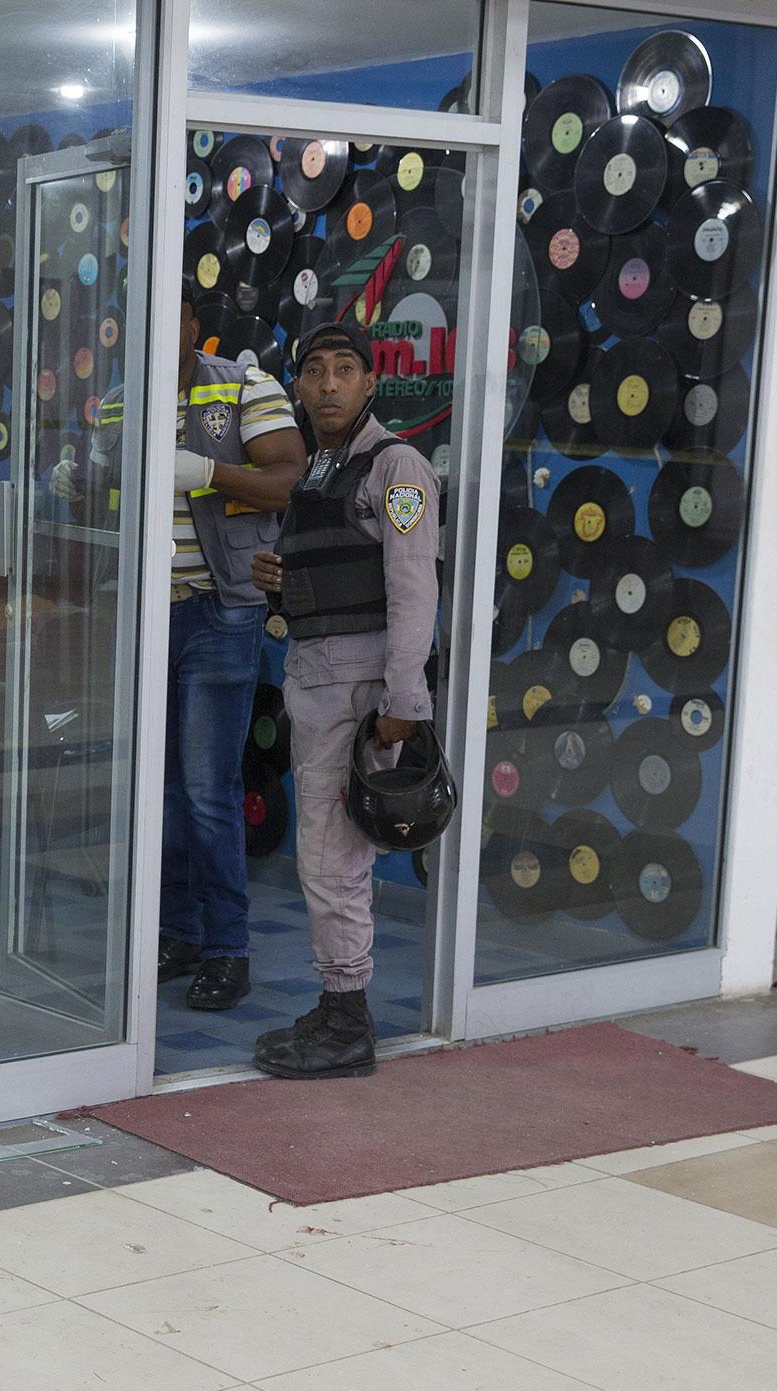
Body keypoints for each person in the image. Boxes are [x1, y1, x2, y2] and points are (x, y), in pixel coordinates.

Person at [58, 283, 306, 1009]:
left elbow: (290, 481)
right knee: (157, 790)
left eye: (170, 316)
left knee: (208, 792)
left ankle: (229, 949)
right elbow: (113, 494)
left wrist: (210, 473)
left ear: (196, 324)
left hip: (218, 615)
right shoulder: (116, 402)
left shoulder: (246, 387)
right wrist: (77, 483)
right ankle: (179, 932)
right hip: (139, 615)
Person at [249, 319, 440, 1078]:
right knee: (330, 855)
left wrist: (404, 699)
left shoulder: (398, 471)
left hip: (359, 692)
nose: (327, 385)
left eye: (343, 371)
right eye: (314, 371)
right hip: (320, 681)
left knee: (332, 859)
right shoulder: (325, 468)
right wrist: (286, 581)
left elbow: (413, 585)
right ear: (298, 385)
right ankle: (338, 1004)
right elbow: (339, 570)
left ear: (369, 383)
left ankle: (346, 1019)